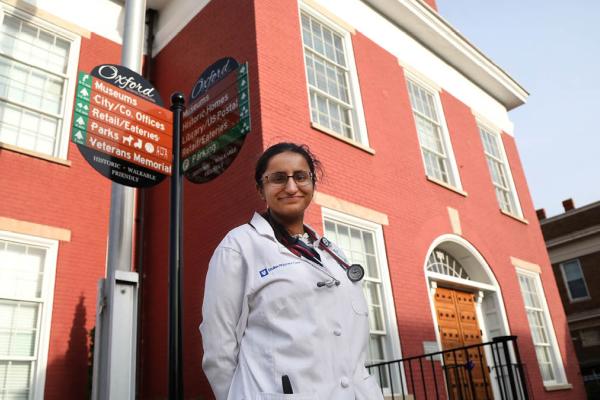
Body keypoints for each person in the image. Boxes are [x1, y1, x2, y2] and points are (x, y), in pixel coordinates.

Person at [200, 142, 384, 400]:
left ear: (313, 184)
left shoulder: (334, 255)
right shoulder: (239, 246)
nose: (290, 187)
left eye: (300, 177)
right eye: (277, 178)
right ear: (261, 190)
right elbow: (219, 347)